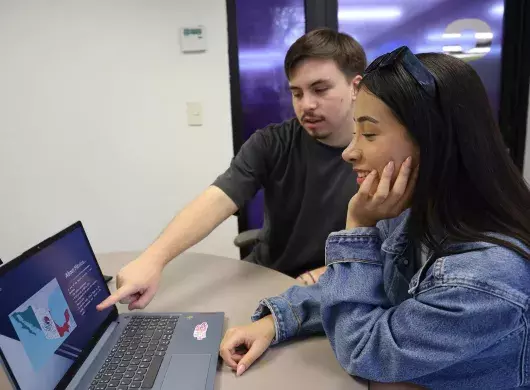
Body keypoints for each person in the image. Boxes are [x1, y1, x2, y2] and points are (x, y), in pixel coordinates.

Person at [219, 47, 530, 389]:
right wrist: (276, 321)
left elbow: (365, 350)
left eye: (368, 134)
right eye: (355, 133)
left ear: (433, 143)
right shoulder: (416, 216)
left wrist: (358, 228)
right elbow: (358, 286)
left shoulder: (484, 277)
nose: (350, 152)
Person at [97, 29, 366, 312]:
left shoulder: (382, 155)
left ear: (355, 87)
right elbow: (217, 199)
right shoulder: (272, 142)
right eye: (297, 93)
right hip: (266, 277)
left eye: (320, 90)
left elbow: (390, 246)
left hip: (333, 288)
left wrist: (324, 274)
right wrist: (152, 259)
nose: (306, 104)